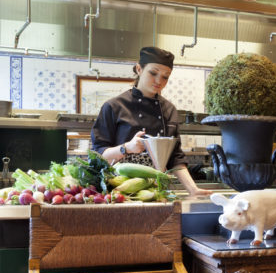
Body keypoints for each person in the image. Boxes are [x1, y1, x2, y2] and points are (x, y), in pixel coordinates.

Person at [90, 46, 211, 196]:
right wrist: (126, 148)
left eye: (165, 76)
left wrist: (194, 190)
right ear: (139, 69)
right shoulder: (114, 106)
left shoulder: (169, 109)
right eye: (153, 73)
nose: (159, 81)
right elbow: (98, 155)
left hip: (156, 189)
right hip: (119, 189)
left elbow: (175, 157)